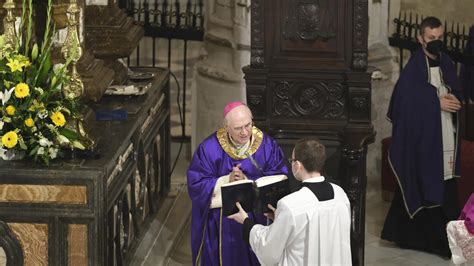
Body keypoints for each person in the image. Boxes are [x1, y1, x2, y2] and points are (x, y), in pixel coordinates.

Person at [381, 16, 462, 258]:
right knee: (424, 181)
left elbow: (456, 90)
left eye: (440, 38)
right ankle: (424, 239)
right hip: (424, 140)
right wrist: (435, 101)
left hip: (446, 133)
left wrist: (454, 98)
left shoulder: (447, 62)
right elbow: (401, 104)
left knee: (445, 185)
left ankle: (445, 238)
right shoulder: (414, 67)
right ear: (420, 39)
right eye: (431, 39)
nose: (437, 43)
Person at [187, 101, 288, 266]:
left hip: (257, 216)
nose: (244, 132)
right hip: (222, 221)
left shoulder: (267, 145)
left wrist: (248, 182)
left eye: (248, 125)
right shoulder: (209, 149)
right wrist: (226, 180)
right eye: (238, 128)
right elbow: (196, 183)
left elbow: (279, 176)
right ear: (226, 127)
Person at [228, 137, 352, 266]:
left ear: (298, 165)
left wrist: (246, 221)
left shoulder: (290, 204)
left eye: (292, 160)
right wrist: (279, 218)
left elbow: (268, 249)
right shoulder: (340, 195)